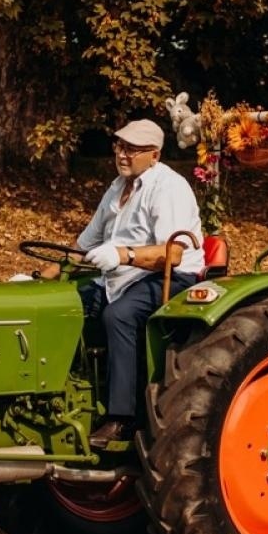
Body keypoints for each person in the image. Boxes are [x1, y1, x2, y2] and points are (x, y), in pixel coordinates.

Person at [60, 118, 204, 449]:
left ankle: (121, 419)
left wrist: (123, 254)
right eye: (119, 147)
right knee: (67, 307)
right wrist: (42, 279)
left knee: (120, 315)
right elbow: (84, 244)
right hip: (123, 275)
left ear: (154, 155)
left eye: (132, 150)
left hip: (168, 276)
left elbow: (173, 254)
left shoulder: (168, 187)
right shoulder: (117, 187)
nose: (122, 155)